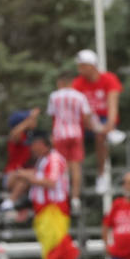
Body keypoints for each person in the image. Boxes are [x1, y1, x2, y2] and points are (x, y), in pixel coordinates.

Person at [17, 131, 79, 259]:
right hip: (44, 212)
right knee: (51, 254)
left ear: (42, 144)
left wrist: (28, 177)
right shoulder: (42, 160)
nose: (31, 148)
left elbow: (50, 182)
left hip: (54, 210)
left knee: (57, 253)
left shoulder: (54, 159)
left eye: (34, 144)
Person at [72, 49, 123, 194]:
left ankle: (101, 175)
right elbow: (78, 109)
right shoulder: (78, 83)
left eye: (82, 66)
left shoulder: (109, 79)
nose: (79, 69)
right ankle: (73, 178)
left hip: (104, 119)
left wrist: (110, 124)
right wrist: (91, 124)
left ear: (92, 66)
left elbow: (112, 103)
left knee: (100, 136)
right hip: (86, 120)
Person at [47, 72, 96, 202]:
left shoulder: (54, 96)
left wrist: (53, 134)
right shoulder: (80, 96)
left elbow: (53, 117)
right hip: (76, 133)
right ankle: (75, 197)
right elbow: (85, 116)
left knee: (61, 166)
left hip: (60, 134)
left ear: (60, 83)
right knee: (76, 167)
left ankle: (62, 195)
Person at [1, 109, 40, 218]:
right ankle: (10, 201)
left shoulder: (30, 137)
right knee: (26, 177)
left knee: (33, 176)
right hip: (13, 175)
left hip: (28, 176)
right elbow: (14, 133)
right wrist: (29, 120)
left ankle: (18, 204)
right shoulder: (18, 136)